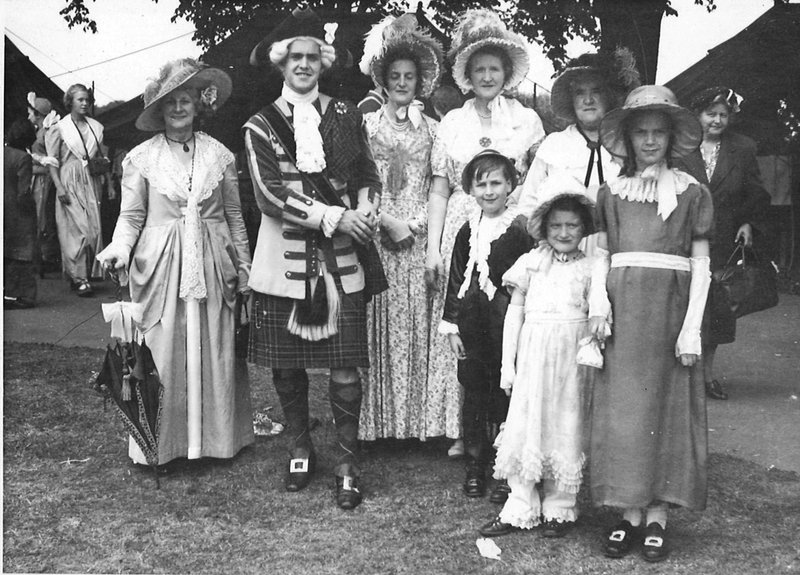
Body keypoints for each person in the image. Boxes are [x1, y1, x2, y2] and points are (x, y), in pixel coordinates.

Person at [243, 8, 382, 510]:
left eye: (312, 57)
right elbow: (268, 194)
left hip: (342, 260)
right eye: (294, 57)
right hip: (284, 261)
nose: (303, 64)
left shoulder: (345, 114)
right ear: (281, 64)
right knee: (287, 368)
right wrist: (333, 216)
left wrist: (365, 206)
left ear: (323, 63)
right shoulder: (259, 125)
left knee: (345, 366)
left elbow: (366, 171)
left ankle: (347, 462)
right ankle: (300, 447)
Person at [97, 58, 254, 466]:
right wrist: (118, 248)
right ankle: (162, 447)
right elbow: (131, 216)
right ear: (160, 111)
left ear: (198, 105)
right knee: (163, 350)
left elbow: (234, 216)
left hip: (213, 262)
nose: (179, 108)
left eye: (185, 100)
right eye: (171, 103)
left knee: (214, 346)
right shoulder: (141, 159)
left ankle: (215, 444)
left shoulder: (220, 156)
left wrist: (245, 265)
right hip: (162, 265)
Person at [589, 85, 713, 562]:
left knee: (664, 408)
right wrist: (599, 303)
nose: (649, 141)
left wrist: (691, 328)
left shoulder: (691, 193)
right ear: (627, 137)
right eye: (640, 132)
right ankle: (629, 513)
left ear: (671, 137)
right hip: (625, 310)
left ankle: (659, 512)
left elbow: (700, 264)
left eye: (658, 132)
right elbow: (602, 257)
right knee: (626, 410)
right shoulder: (610, 194)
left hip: (669, 311)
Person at [427, 8, 545, 479]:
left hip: (511, 231)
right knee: (463, 329)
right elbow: (439, 187)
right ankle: (462, 430)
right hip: (463, 228)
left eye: (495, 68)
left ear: (506, 73)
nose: (487, 76)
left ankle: (505, 431)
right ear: (468, 76)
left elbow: (538, 184)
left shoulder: (527, 120)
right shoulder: (452, 121)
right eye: (479, 70)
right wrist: (434, 247)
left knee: (506, 326)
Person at [479, 176, 597, 539]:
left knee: (567, 423)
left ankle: (560, 507)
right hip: (533, 357)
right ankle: (520, 503)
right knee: (526, 424)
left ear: (583, 228)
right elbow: (514, 314)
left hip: (570, 361)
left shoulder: (591, 267)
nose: (564, 232)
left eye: (572, 225)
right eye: (556, 225)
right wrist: (507, 365)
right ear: (544, 228)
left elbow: (597, 317)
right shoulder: (530, 263)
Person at [358, 15, 449, 441]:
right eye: (394, 76)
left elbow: (438, 184)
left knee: (417, 324)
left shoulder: (433, 130)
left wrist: (415, 226)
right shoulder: (368, 125)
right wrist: (384, 222)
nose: (401, 82)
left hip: (420, 233)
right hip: (377, 228)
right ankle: (380, 425)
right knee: (381, 323)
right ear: (383, 78)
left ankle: (418, 425)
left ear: (420, 81)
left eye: (409, 76)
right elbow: (359, 180)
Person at [440, 150, 534, 500]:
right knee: (475, 394)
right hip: (473, 322)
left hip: (508, 324)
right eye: (481, 184)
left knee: (507, 393)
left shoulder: (521, 227)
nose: (489, 191)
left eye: (496, 182)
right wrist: (451, 326)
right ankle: (476, 464)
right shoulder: (468, 229)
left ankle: (506, 468)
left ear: (510, 184)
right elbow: (455, 278)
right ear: (471, 189)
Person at [675, 86, 771, 401]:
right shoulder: (679, 146)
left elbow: (755, 191)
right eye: (710, 113)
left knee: (715, 308)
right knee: (681, 304)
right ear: (697, 115)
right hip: (683, 238)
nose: (717, 120)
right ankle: (680, 377)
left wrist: (748, 223)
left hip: (724, 238)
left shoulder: (742, 148)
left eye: (723, 114)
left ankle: (707, 377)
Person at [515, 50, 641, 245]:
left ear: (609, 95)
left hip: (619, 247)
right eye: (580, 93)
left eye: (596, 91)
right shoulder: (555, 145)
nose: (588, 100)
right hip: (561, 249)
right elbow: (528, 205)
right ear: (571, 99)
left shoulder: (627, 143)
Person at [45, 84, 113, 297]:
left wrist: (109, 183)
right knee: (76, 230)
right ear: (70, 102)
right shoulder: (60, 127)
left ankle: (82, 275)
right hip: (68, 181)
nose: (85, 103)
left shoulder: (96, 127)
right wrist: (59, 186)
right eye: (80, 100)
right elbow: (52, 162)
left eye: (87, 100)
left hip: (91, 181)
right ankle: (79, 277)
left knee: (93, 228)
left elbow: (101, 159)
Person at [4, 119, 38, 309]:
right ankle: (23, 296)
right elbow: (24, 191)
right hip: (17, 211)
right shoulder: (23, 158)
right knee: (23, 253)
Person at [26, 92, 61, 269]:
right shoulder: (39, 131)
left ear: (38, 114)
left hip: (43, 180)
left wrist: (31, 161)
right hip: (36, 178)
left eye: (31, 113)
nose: (28, 116)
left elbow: (51, 161)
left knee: (42, 217)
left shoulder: (46, 133)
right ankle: (40, 255)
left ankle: (45, 257)